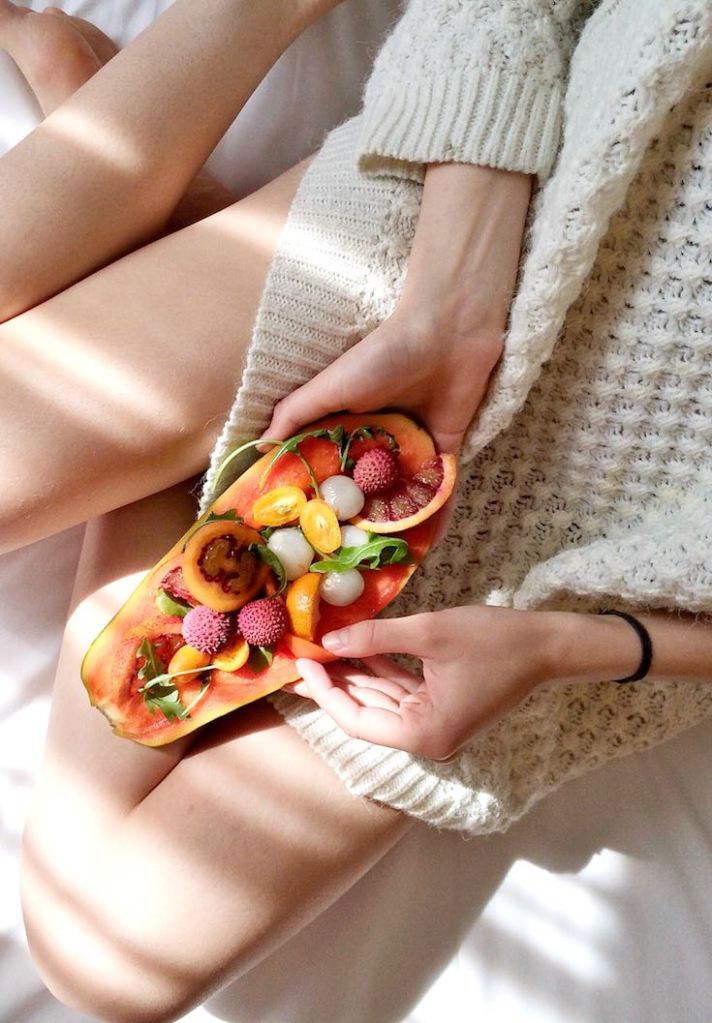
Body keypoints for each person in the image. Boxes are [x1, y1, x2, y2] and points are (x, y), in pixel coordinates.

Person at [1, 0, 710, 1019]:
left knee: (109, 965)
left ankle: (168, 240)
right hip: (476, 240)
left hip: (579, 570)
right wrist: (452, 301)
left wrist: (572, 647)